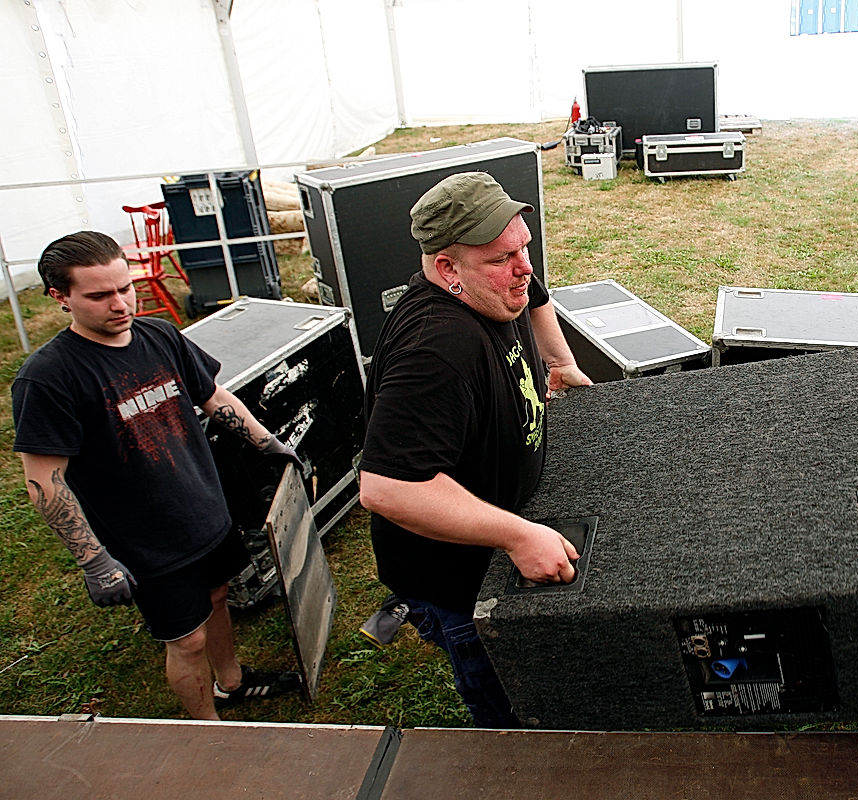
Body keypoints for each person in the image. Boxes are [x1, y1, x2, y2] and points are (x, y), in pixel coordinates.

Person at [12, 231, 303, 720]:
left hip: (205, 510)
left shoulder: (160, 334)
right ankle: (207, 732)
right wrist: (93, 561)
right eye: (99, 295)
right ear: (59, 297)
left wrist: (267, 442)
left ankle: (231, 682)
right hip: (146, 541)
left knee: (217, 597)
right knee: (186, 640)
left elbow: (213, 396)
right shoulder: (48, 378)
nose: (121, 303)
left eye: (124, 288)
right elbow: (45, 481)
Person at [357, 172, 592, 727]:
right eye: (502, 258)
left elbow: (535, 295)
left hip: (506, 516)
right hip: (460, 580)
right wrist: (518, 534)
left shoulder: (494, 277)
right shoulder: (437, 348)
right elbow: (387, 487)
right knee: (511, 707)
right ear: (446, 269)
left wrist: (559, 363)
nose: (524, 268)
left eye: (524, 247)